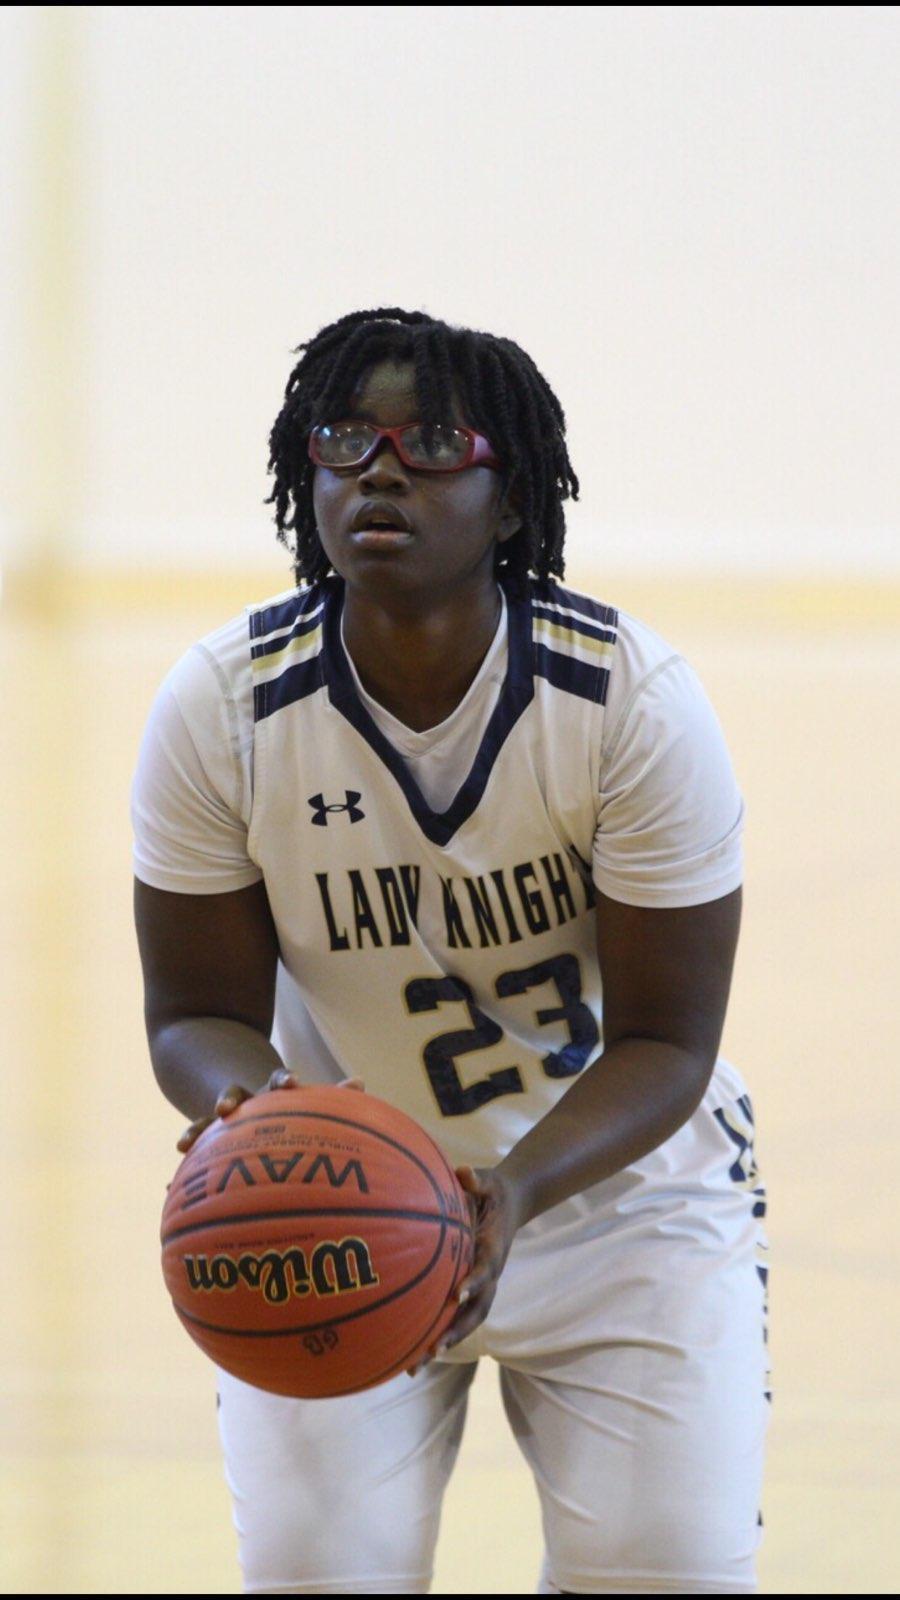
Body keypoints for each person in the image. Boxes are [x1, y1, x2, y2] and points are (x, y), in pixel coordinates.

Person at [132, 306, 770, 1595]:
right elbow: (189, 1014)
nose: (379, 467)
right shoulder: (225, 707)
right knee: (320, 1573)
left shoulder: (629, 706)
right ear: (303, 477)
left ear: (513, 498)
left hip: (615, 1205)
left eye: (431, 442)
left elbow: (668, 1042)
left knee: (666, 1572)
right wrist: (255, 1119)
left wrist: (507, 1201)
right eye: (345, 438)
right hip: (344, 1207)